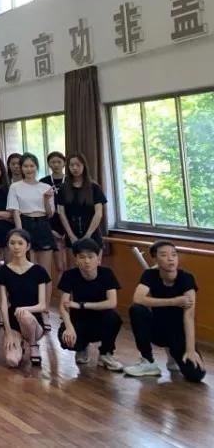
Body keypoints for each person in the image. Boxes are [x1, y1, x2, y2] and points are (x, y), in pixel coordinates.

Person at [124, 241, 206, 382]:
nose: (170, 259)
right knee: (136, 310)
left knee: (196, 374)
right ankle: (148, 362)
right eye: (164, 255)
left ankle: (173, 355)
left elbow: (189, 316)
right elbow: (138, 298)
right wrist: (174, 301)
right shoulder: (150, 275)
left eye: (174, 255)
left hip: (177, 332)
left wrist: (190, 350)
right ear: (155, 259)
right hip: (157, 329)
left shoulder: (186, 278)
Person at [57, 238, 123, 371]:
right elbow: (63, 305)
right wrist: (69, 327)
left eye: (90, 257)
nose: (87, 261)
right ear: (76, 259)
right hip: (79, 320)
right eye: (82, 257)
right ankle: (81, 348)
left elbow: (112, 302)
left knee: (114, 318)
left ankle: (105, 354)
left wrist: (82, 305)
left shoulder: (107, 274)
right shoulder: (69, 275)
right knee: (66, 338)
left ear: (98, 258)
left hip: (101, 319)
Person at [7, 152, 56, 328]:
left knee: (45, 272)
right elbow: (15, 212)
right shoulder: (15, 187)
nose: (29, 169)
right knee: (29, 270)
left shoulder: (46, 187)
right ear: (21, 168)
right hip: (25, 224)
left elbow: (50, 213)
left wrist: (46, 199)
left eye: (32, 166)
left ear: (37, 167)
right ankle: (30, 309)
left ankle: (45, 311)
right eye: (25, 166)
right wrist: (20, 235)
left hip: (42, 224)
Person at [0, 229, 50, 368]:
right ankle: (19, 343)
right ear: (8, 245)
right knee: (12, 361)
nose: (16, 247)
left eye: (20, 243)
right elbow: (3, 304)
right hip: (13, 320)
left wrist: (24, 309)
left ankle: (33, 345)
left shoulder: (39, 271)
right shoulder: (3, 271)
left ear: (28, 246)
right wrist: (8, 332)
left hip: (33, 319)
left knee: (25, 316)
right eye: (12, 243)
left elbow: (42, 305)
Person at [57, 153, 108, 253]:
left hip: (92, 233)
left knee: (93, 262)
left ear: (84, 166)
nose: (75, 168)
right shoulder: (63, 188)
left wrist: (88, 235)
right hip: (72, 234)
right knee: (74, 262)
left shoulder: (94, 187)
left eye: (78, 165)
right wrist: (71, 235)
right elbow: (61, 213)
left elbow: (98, 213)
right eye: (72, 165)